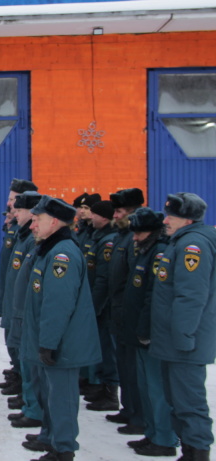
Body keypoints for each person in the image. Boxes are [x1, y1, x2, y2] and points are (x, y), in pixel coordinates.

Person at [21, 196, 101, 461]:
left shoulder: (61, 254)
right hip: (53, 341)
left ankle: (63, 450)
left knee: (63, 399)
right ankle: (52, 438)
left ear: (54, 221)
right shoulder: (50, 248)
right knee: (51, 395)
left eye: (38, 220)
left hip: (62, 345)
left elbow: (58, 304)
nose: (33, 225)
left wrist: (49, 343)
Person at [151, 193, 216, 461]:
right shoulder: (181, 241)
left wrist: (183, 337)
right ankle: (189, 451)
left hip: (185, 342)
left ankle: (198, 453)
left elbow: (191, 296)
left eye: (171, 216)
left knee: (189, 402)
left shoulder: (193, 246)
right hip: (175, 340)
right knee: (178, 401)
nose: (165, 221)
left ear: (187, 219)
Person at [121, 208, 176, 457]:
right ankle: (152, 433)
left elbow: (155, 296)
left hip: (152, 334)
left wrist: (145, 329)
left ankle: (164, 439)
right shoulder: (145, 249)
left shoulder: (159, 252)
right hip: (139, 333)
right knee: (145, 388)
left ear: (152, 232)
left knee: (157, 390)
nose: (134, 237)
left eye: (139, 232)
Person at [95, 188, 145, 432]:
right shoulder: (123, 235)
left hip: (129, 313)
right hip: (118, 311)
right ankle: (128, 409)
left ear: (132, 212)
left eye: (119, 211)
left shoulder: (135, 238)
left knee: (134, 369)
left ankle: (139, 416)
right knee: (124, 366)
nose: (115, 214)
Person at [4, 191, 43, 429]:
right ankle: (30, 405)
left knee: (31, 363)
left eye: (17, 210)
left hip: (27, 311)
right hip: (19, 309)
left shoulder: (32, 239)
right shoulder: (24, 235)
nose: (13, 213)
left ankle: (34, 409)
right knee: (25, 360)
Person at [0, 178, 38, 394]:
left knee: (20, 341)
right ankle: (18, 372)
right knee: (12, 337)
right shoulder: (16, 229)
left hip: (20, 301)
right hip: (11, 294)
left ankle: (24, 380)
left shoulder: (29, 235)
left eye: (13, 199)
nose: (9, 204)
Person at [82, 200, 119, 408]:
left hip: (104, 306)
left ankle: (110, 393)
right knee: (100, 347)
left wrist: (95, 306)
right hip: (97, 303)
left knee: (107, 349)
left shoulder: (107, 241)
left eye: (94, 214)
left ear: (104, 217)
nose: (91, 217)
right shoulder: (98, 236)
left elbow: (103, 279)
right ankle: (101, 387)